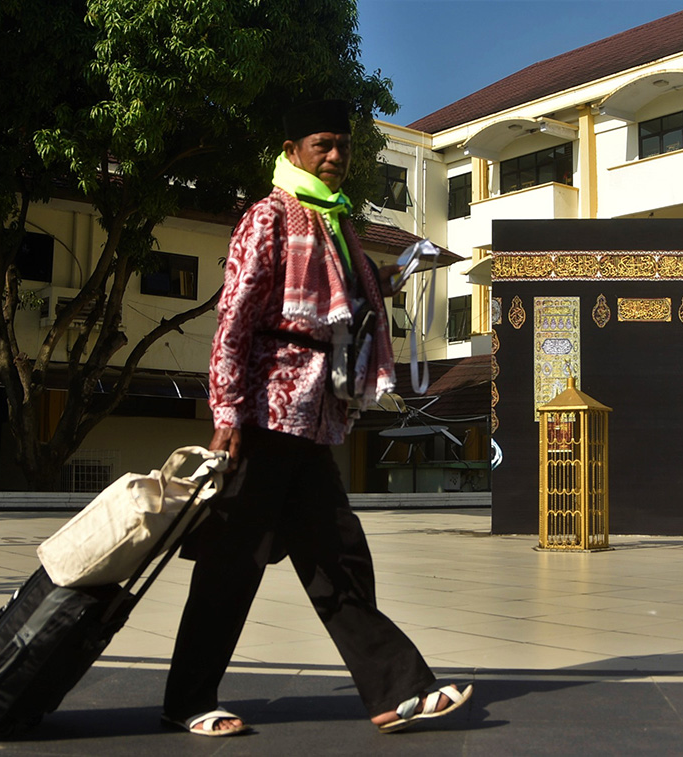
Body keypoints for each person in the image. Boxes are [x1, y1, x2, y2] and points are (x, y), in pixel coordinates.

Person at [161, 100, 472, 738]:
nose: (335, 158)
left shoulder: (334, 224)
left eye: (343, 148)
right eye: (322, 145)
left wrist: (379, 282)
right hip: (265, 415)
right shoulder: (269, 216)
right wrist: (225, 409)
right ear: (293, 148)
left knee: (339, 558)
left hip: (313, 418)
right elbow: (235, 318)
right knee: (232, 566)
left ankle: (398, 692)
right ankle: (188, 700)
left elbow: (332, 303)